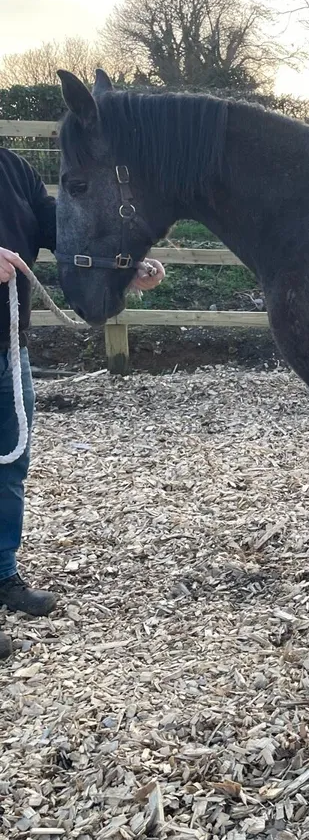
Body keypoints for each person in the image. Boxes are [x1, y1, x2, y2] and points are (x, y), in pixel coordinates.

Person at [0, 146, 165, 618]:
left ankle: (2, 573)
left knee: (11, 467)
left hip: (9, 349)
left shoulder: (13, 168)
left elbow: (64, 231)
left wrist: (124, 265)